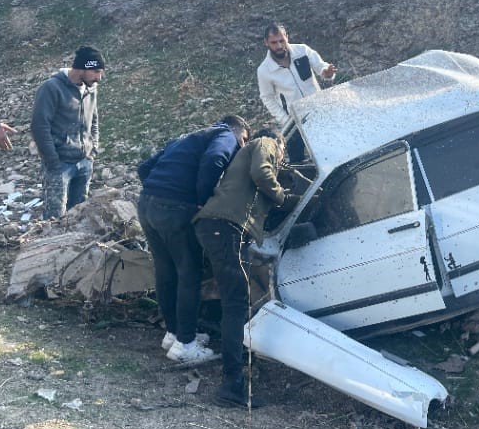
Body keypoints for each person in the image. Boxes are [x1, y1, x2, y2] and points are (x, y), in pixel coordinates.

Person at [194, 128, 299, 407]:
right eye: (283, 153)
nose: (281, 159)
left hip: (218, 227)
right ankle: (232, 386)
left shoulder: (246, 153)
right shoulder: (264, 142)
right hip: (226, 227)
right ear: (278, 142)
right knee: (236, 303)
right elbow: (262, 174)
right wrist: (284, 197)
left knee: (233, 301)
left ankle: (234, 378)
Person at [137, 115, 250, 363]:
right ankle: (185, 345)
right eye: (244, 140)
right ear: (239, 130)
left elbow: (144, 167)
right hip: (176, 209)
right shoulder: (226, 135)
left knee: (166, 271)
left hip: (147, 204)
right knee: (189, 273)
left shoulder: (188, 137)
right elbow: (215, 159)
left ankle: (174, 333)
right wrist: (201, 200)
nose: (242, 146)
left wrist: (160, 191)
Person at [30, 46, 104, 219]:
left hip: (84, 162)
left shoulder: (90, 88)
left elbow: (94, 119)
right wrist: (52, 160)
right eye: (96, 72)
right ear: (82, 68)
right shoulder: (51, 88)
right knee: (55, 219)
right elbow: (39, 126)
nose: (99, 78)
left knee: (78, 216)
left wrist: (93, 149)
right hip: (60, 164)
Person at [256, 23, 337, 129]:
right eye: (274, 42)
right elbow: (267, 98)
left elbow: (321, 67)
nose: (279, 46)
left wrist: (327, 72)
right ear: (266, 42)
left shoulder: (302, 50)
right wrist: (285, 120)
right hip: (296, 122)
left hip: (320, 110)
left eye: (281, 41)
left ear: (287, 37)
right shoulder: (264, 70)